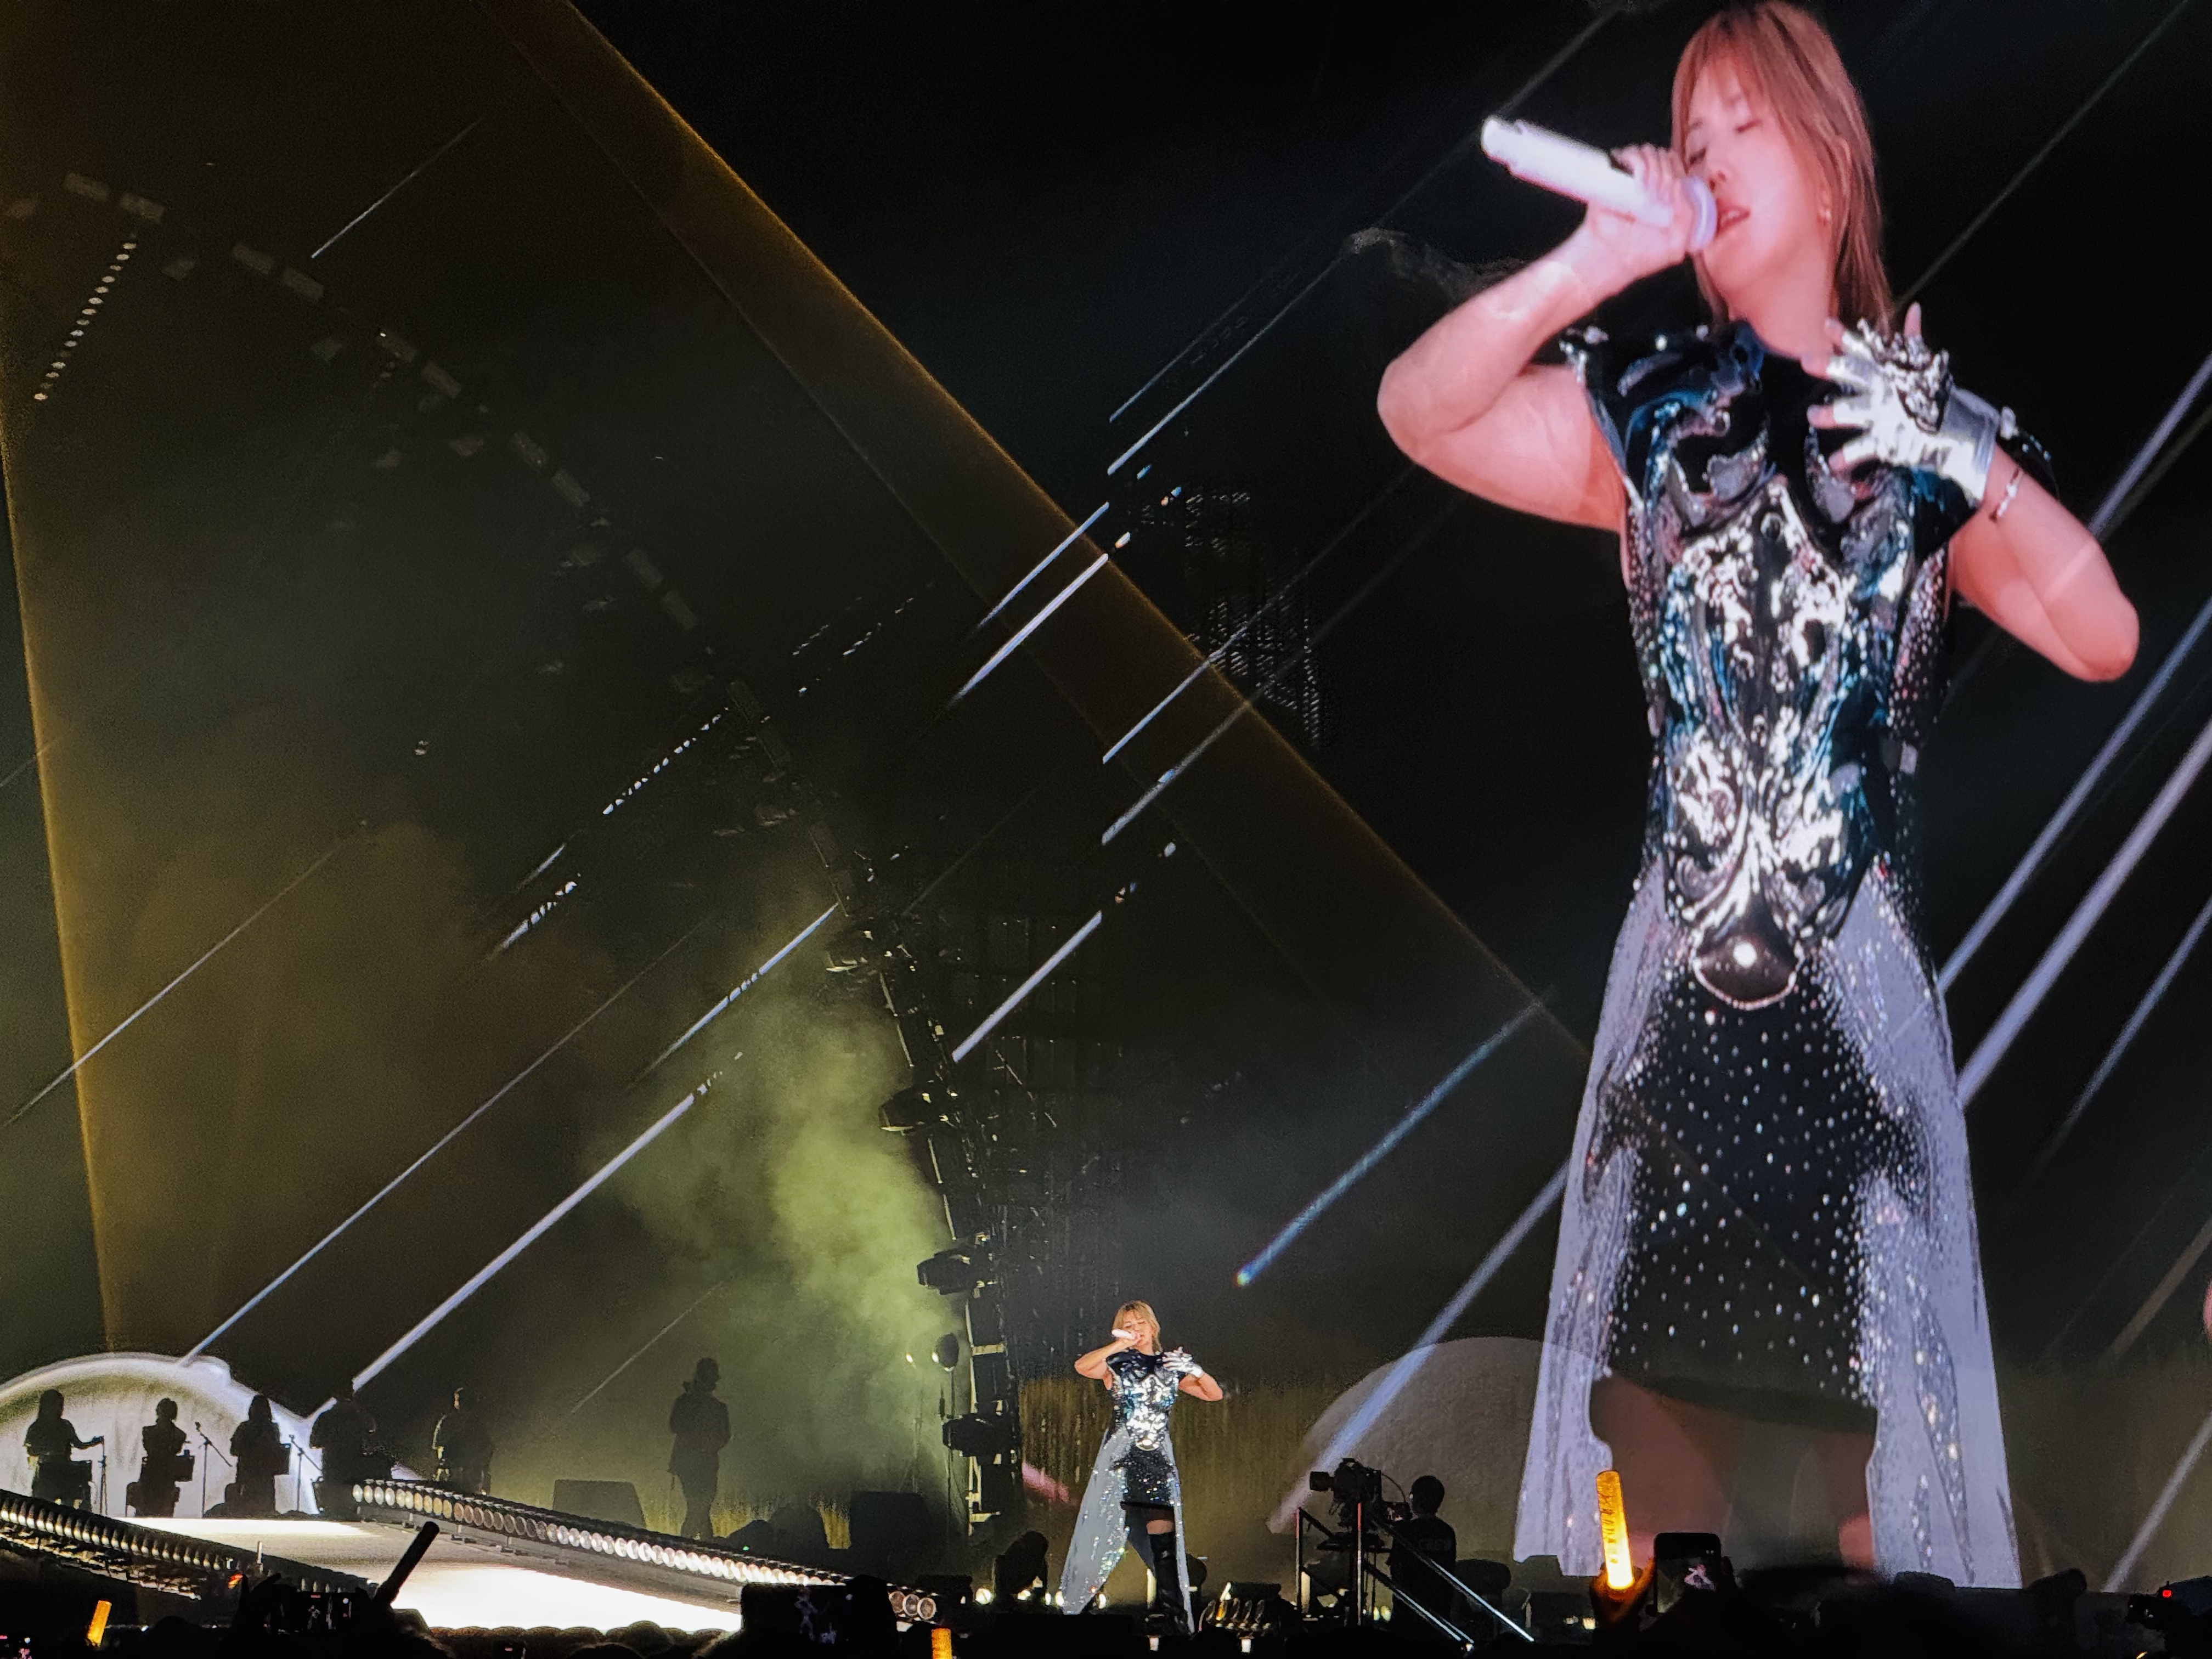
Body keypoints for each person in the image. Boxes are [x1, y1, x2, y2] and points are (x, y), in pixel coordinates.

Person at [1376, 2, 2134, 1587]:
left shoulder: (1917, 443)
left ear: (1835, 161)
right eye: (1690, 132)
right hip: (1684, 1063)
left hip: (1856, 1053)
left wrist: (1969, 452)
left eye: (1745, 123)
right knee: (1662, 1550)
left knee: (1885, 1542)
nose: (1709, 153)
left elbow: (2103, 636)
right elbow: (1419, 411)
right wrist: (1595, 262)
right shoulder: (1656, 415)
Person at [1056, 1299, 1224, 1631]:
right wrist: (1118, 1345)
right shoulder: (1116, 1363)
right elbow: (1082, 1366)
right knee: (1100, 1534)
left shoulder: (1169, 1366)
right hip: (1121, 1462)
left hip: (1156, 1461)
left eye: (1140, 1324)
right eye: (1128, 1325)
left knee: (1163, 1541)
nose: (1135, 1330)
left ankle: (1172, 1613)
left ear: (1153, 1325)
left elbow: (1214, 1394)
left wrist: (1195, 1370)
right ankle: (1079, 1610)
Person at [668, 1357, 731, 1540]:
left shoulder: (715, 1408)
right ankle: (697, 1545)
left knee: (700, 1509)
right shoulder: (691, 1403)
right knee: (699, 1508)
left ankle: (691, 1545)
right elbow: (676, 1426)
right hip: (692, 1464)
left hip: (703, 1464)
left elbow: (723, 1437)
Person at [1387, 1475, 1458, 1635]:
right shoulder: (1447, 1531)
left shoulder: (1407, 1531)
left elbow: (1396, 1567)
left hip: (1410, 1607)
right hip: (1440, 1604)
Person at [23, 1389, 101, 1508]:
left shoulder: (66, 1425)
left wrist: (92, 1443)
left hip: (65, 1472)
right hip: (47, 1474)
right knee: (43, 1507)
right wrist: (48, 1451)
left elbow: (79, 1445)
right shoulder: (36, 1428)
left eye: (61, 1406)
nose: (60, 1409)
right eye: (56, 1406)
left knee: (70, 1505)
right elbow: (31, 1451)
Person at [311, 1385, 378, 1519]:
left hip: (337, 1465)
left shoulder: (328, 1417)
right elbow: (372, 1427)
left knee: (337, 1505)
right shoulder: (356, 1417)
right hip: (348, 1464)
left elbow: (314, 1442)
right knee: (348, 1503)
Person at [227, 1394, 289, 1517]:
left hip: (247, 1472)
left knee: (245, 1507)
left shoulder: (244, 1427)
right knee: (266, 1509)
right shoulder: (272, 1429)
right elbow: (276, 1451)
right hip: (265, 1474)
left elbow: (234, 1451)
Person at [128, 1398, 191, 1519]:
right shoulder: (179, 1434)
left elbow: (151, 1449)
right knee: (160, 1512)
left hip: (155, 1475)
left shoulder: (149, 1432)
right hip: (162, 1477)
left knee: (148, 1512)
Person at [433, 1386, 494, 1494]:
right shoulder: (449, 1422)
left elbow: (486, 1450)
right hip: (453, 1475)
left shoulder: (477, 1425)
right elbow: (441, 1448)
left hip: (469, 1477)